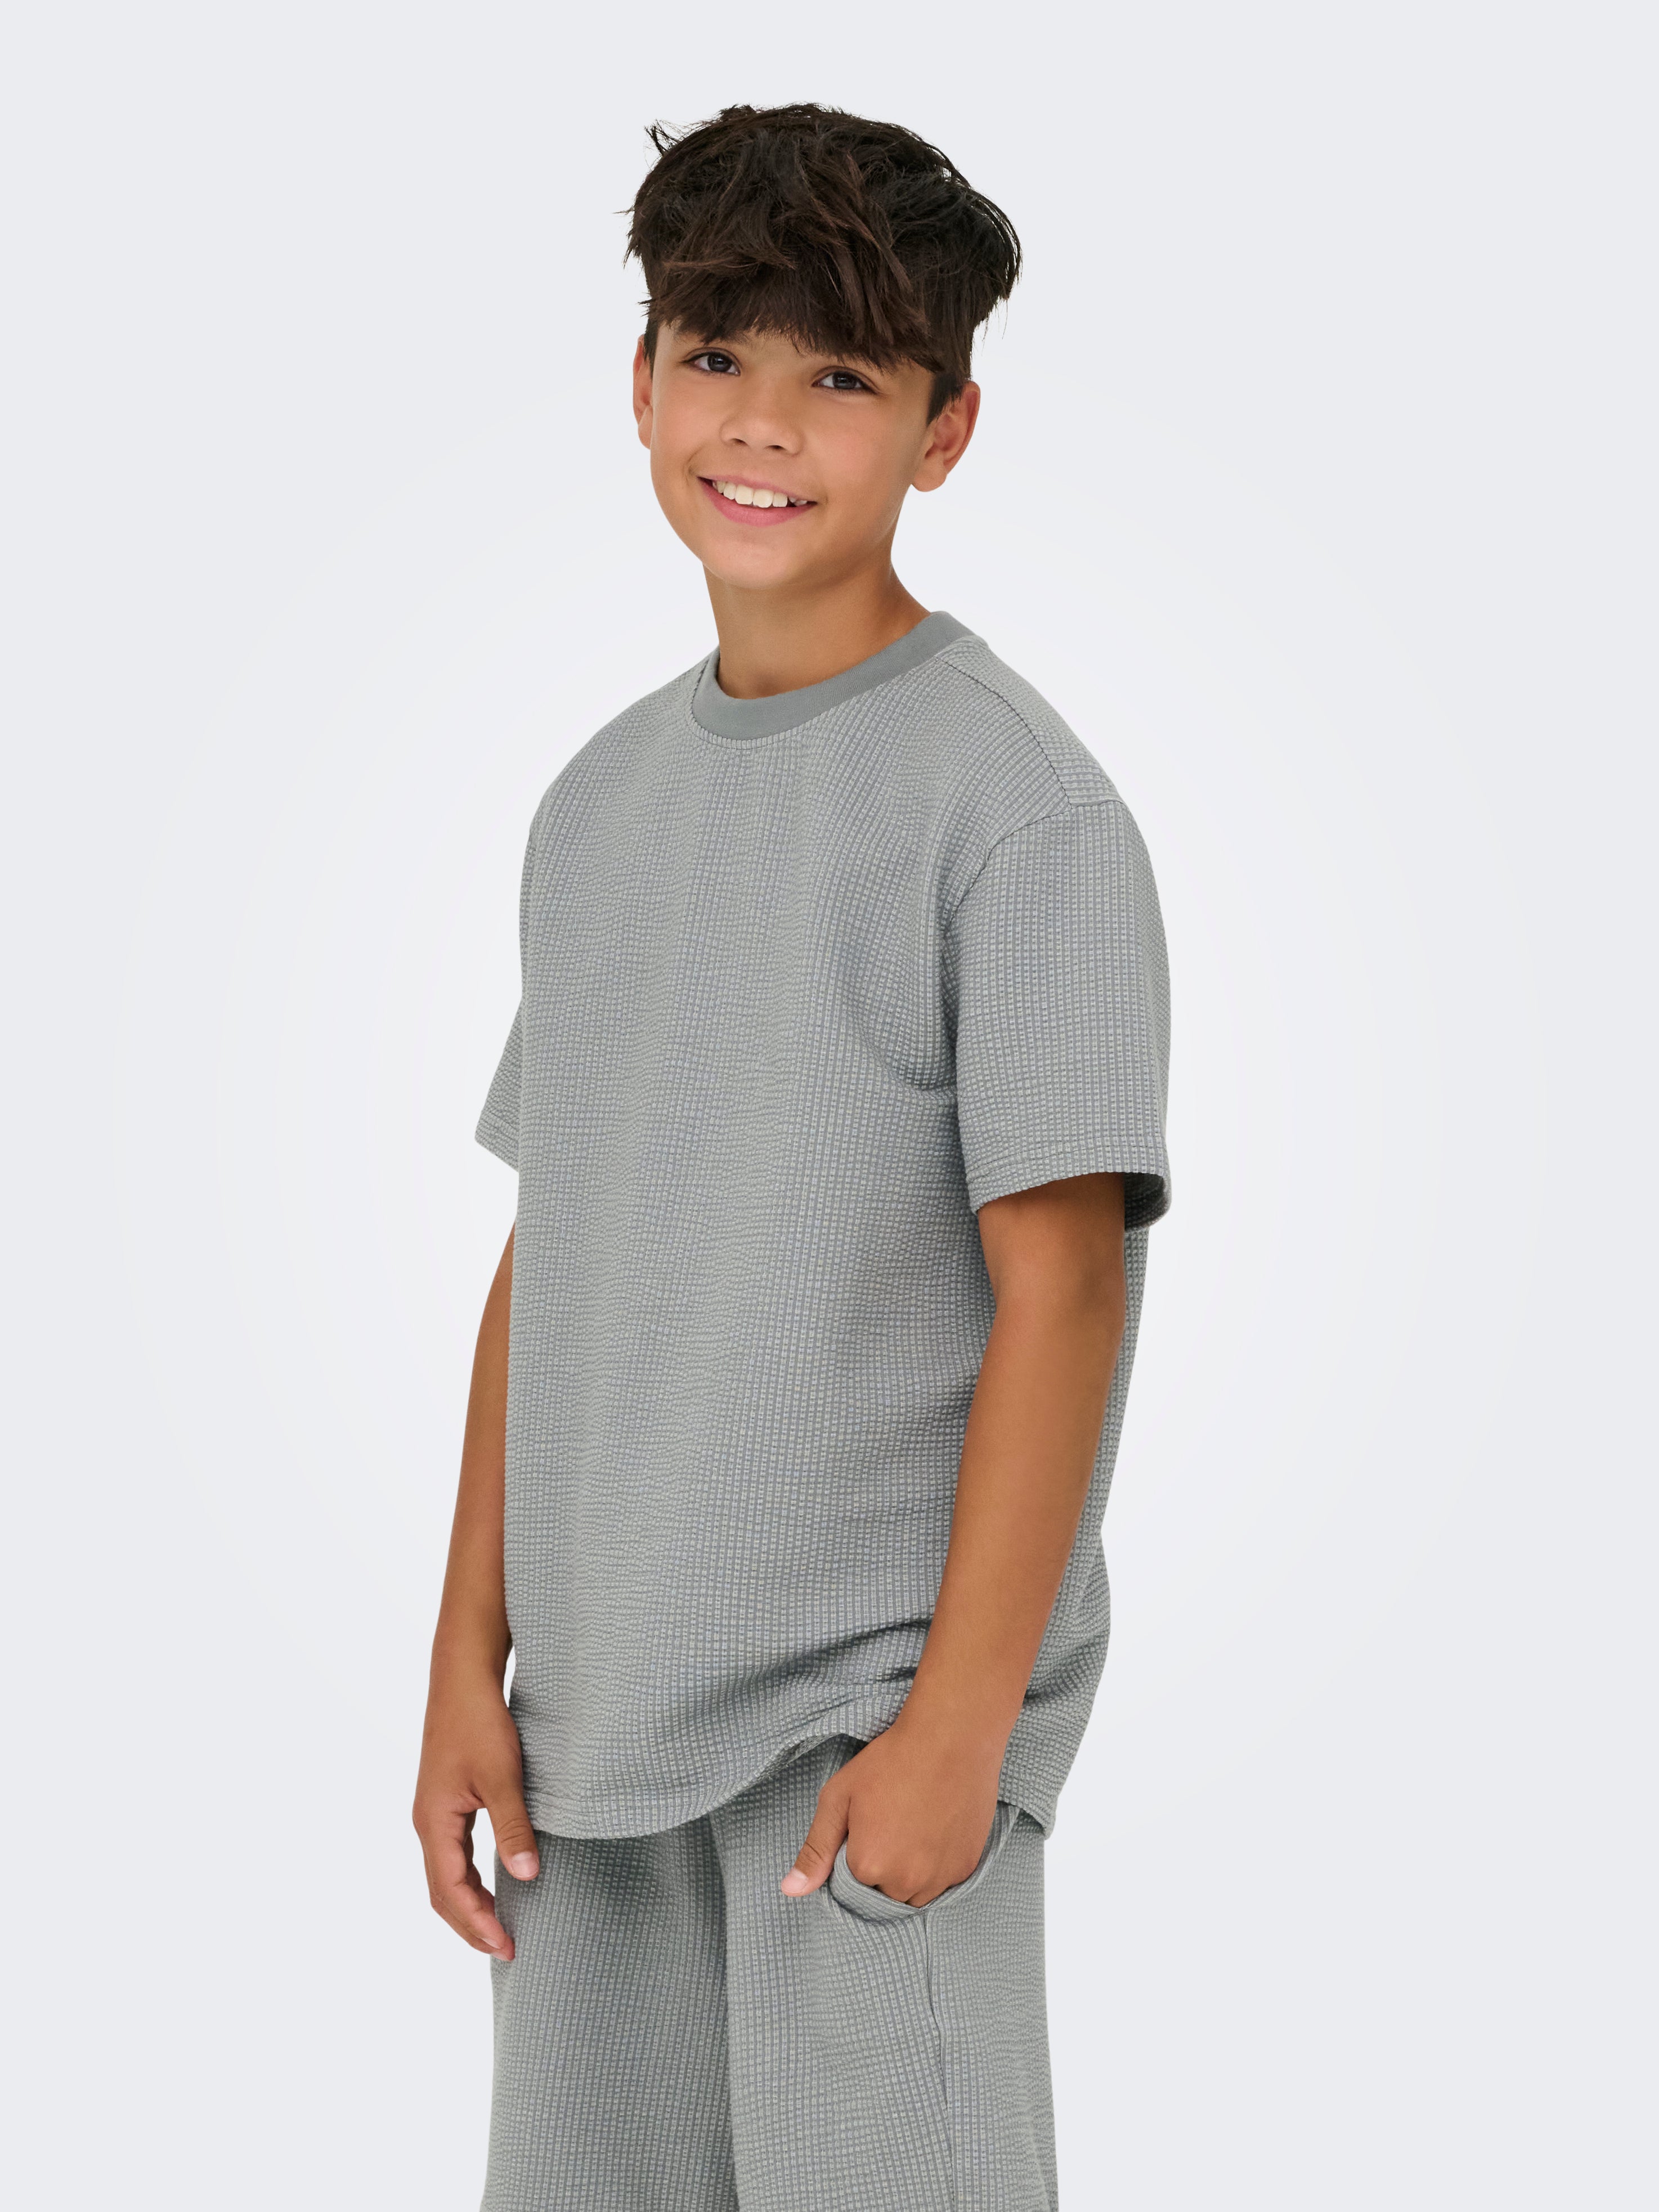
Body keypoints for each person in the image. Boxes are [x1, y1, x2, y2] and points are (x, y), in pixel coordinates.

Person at [414, 101, 1173, 2212]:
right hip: (587, 1744)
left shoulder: (1015, 812)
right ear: (642, 382)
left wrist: (959, 1732)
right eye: (716, 353)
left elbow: (1063, 1286)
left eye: (840, 372)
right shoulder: (598, 804)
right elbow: (553, 1246)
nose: (761, 421)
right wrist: (466, 1659)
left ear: (943, 431)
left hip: (857, 1738)